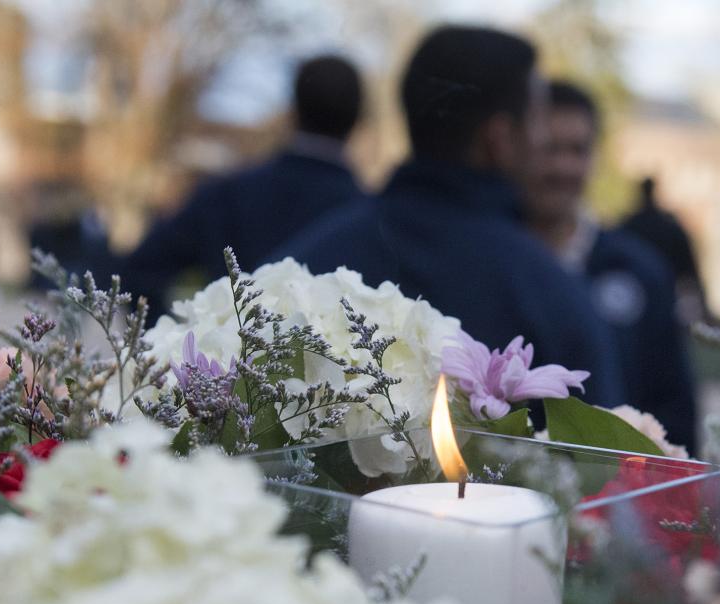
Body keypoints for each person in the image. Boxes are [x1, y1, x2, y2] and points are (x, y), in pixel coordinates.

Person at [266, 25, 624, 408]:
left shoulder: (298, 267)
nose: (542, 143)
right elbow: (596, 461)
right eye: (538, 122)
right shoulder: (553, 296)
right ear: (499, 139)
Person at [124, 53, 365, 319]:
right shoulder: (370, 216)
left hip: (232, 357)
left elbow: (138, 272)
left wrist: (183, 347)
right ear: (358, 118)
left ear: (294, 111)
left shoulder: (228, 193)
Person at [527, 81, 696, 451]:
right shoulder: (494, 265)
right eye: (549, 149)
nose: (563, 166)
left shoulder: (640, 269)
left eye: (578, 150)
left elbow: (674, 405)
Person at [620, 176, 704, 325]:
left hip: (636, 300)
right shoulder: (669, 226)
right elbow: (689, 269)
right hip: (660, 299)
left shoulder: (628, 226)